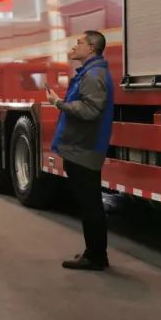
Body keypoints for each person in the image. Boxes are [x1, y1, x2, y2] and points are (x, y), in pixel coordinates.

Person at [46, 30, 115, 271]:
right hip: (82, 148)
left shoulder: (93, 75)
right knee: (89, 203)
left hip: (84, 149)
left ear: (92, 48)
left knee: (90, 205)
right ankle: (95, 253)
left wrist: (58, 103)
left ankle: (95, 257)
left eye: (79, 43)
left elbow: (90, 110)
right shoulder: (91, 72)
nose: (74, 47)